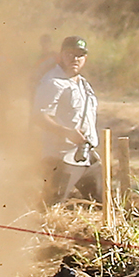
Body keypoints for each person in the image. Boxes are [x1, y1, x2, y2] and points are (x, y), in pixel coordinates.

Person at [32, 35, 100, 204]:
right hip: (62, 158)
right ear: (61, 55)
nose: (75, 59)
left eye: (80, 55)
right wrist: (67, 133)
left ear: (85, 58)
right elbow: (39, 117)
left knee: (104, 203)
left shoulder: (83, 84)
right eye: (70, 54)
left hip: (86, 156)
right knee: (51, 206)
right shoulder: (52, 82)